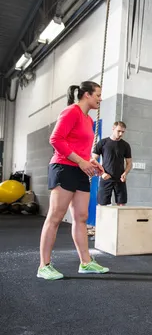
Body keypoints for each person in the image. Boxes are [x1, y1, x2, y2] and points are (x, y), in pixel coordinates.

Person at [37, 81, 110, 280]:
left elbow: (80, 148)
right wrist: (80, 161)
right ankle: (44, 265)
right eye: (98, 95)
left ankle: (86, 263)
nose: (100, 99)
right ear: (86, 95)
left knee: (81, 217)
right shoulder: (71, 112)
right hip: (63, 167)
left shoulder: (87, 119)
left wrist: (92, 163)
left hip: (79, 169)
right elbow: (56, 139)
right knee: (55, 217)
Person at [92, 121, 132, 206]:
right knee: (102, 204)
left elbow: (129, 163)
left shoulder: (126, 145)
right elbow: (93, 160)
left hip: (120, 179)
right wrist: (102, 174)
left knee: (121, 205)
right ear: (113, 129)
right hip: (106, 177)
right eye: (119, 131)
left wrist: (125, 173)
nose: (121, 134)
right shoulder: (103, 143)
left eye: (123, 132)